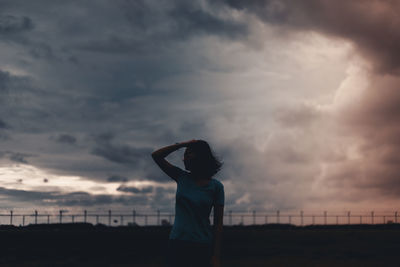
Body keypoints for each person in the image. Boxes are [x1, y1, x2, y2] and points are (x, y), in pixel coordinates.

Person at [151, 139, 224, 267]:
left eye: (188, 154)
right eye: (184, 155)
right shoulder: (181, 177)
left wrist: (215, 256)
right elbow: (156, 156)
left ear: (201, 156)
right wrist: (183, 144)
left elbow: (218, 224)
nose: (184, 158)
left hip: (202, 245)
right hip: (177, 243)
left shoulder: (216, 187)